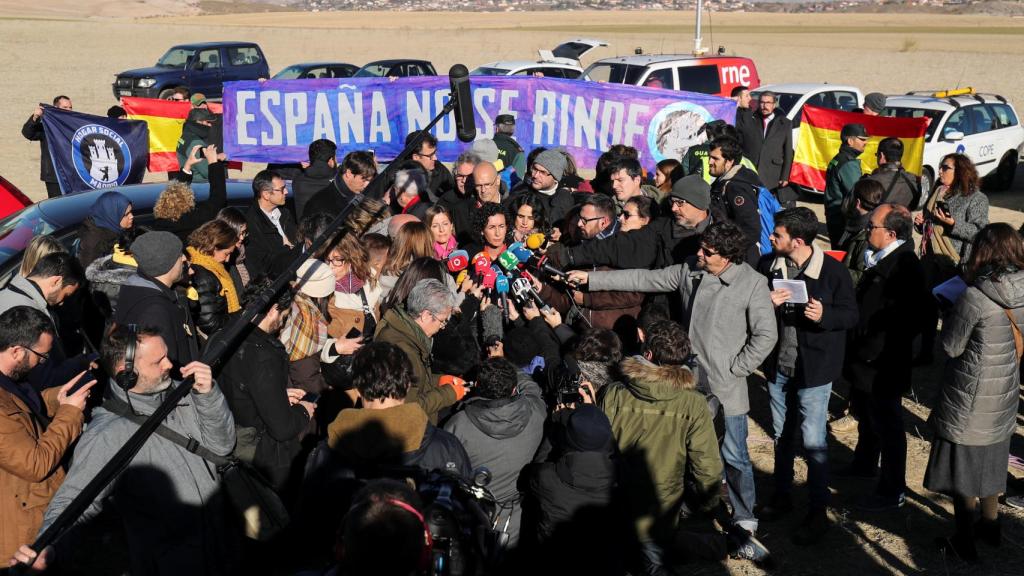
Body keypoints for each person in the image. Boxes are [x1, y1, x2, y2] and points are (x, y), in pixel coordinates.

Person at [571, 221, 778, 536]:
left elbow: (766, 335)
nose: (699, 254)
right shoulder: (691, 270)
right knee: (683, 450)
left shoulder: (753, 284)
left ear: (727, 257)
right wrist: (591, 279)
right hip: (682, 383)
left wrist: (737, 368)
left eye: (707, 252)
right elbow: (646, 278)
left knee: (735, 455)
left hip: (725, 388)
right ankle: (689, 506)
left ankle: (744, 515)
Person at [19, 326, 235, 575]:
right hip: (174, 563)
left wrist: (208, 395)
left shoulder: (182, 393)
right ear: (127, 373)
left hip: (223, 542)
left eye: (166, 355)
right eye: (158, 361)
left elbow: (221, 446)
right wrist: (48, 545)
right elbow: (75, 500)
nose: (169, 364)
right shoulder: (108, 434)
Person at [757, 208, 858, 545]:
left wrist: (825, 315)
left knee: (813, 440)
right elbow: (752, 306)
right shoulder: (768, 266)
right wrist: (765, 304)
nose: (771, 237)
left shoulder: (833, 272)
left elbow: (851, 315)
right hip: (779, 366)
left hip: (814, 370)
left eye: (778, 234)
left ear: (797, 241)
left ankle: (818, 510)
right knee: (781, 435)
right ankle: (782, 495)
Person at [923, 223, 1024, 562]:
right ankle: (991, 526)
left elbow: (951, 347)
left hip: (970, 394)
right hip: (1005, 389)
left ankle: (964, 540)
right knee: (993, 461)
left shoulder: (975, 297)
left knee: (963, 472)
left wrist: (949, 313)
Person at [600, 320, 723, 574]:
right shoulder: (694, 403)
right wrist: (710, 504)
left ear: (647, 354)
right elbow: (706, 463)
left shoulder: (613, 393)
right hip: (662, 504)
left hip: (617, 498)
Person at [841, 204, 927, 511]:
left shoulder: (905, 267)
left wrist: (871, 350)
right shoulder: (880, 258)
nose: (867, 230)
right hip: (866, 359)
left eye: (872, 226)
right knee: (867, 415)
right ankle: (864, 463)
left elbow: (906, 321)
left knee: (887, 424)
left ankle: (892, 489)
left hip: (883, 363)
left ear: (890, 234)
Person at [0, 306, 94, 561]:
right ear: (16, 351)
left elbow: (23, 408)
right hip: (20, 535)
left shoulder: (9, 380)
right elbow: (34, 464)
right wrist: (70, 414)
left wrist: (58, 398)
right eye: (41, 357)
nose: (42, 363)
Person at [216, 278, 314, 491]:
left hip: (226, 433)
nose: (283, 323)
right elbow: (281, 428)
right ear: (273, 310)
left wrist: (277, 395)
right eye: (284, 316)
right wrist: (304, 411)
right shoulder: (264, 356)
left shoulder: (223, 332)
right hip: (258, 453)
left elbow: (241, 387)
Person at [444, 357, 546, 548]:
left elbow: (447, 474)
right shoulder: (537, 412)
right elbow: (532, 388)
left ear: (477, 387)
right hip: (520, 520)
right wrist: (505, 361)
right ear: (514, 389)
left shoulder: (458, 425)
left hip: (474, 520)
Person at [914, 153, 990, 364]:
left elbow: (979, 232)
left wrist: (953, 224)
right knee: (927, 308)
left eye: (945, 167)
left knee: (952, 313)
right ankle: (926, 353)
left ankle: (951, 357)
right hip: (930, 259)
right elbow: (931, 226)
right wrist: (921, 224)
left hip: (954, 263)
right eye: (941, 166)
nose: (940, 171)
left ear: (961, 171)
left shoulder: (976, 198)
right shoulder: (938, 191)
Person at [374, 279, 464, 423]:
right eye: (442, 321)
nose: (442, 327)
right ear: (426, 315)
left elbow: (415, 380)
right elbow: (407, 408)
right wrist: (449, 394)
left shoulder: (402, 329)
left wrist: (438, 380)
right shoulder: (404, 351)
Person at [114, 231, 199, 368]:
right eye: (179, 255)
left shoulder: (135, 288)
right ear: (165, 263)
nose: (184, 258)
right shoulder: (156, 310)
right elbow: (164, 365)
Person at [151, 145, 226, 242]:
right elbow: (218, 200)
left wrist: (188, 165)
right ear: (187, 203)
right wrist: (213, 163)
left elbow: (174, 190)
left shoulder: (159, 223)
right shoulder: (192, 221)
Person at [707, 137, 764, 263]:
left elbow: (751, 229)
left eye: (715, 158)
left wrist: (728, 252)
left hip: (740, 258)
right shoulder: (728, 179)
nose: (710, 162)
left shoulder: (735, 187)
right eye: (709, 157)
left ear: (729, 161)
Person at [185, 219, 241, 337]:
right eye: (226, 254)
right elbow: (210, 324)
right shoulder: (202, 275)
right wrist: (238, 316)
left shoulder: (210, 266)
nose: (227, 260)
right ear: (214, 248)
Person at [246, 169, 298, 281]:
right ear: (266, 194)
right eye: (282, 189)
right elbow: (263, 263)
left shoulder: (286, 213)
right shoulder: (251, 223)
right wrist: (288, 249)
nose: (286, 192)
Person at [736, 91, 793, 192]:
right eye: (762, 102)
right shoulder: (750, 119)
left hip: (772, 173)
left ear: (774, 105)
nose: (764, 106)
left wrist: (785, 176)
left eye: (768, 103)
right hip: (751, 170)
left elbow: (788, 152)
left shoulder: (785, 123)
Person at [824, 123, 868, 246]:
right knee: (844, 254)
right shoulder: (848, 163)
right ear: (850, 141)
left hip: (835, 215)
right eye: (862, 139)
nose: (865, 142)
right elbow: (858, 192)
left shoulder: (839, 158)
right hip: (843, 220)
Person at [302, 150, 377, 220]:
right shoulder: (321, 206)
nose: (367, 185)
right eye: (364, 180)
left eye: (369, 180)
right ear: (349, 173)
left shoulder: (355, 192)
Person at [22, 96, 72, 199]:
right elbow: (28, 133)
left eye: (70, 107)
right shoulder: (47, 126)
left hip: (72, 175)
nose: (69, 110)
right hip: (54, 176)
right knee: (57, 206)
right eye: (65, 107)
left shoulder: (73, 125)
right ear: (56, 108)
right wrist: (35, 117)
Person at [519, 149, 576, 229]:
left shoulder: (564, 197)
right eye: (535, 169)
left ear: (555, 177)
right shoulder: (521, 192)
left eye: (542, 172)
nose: (535, 175)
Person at [77, 191, 133, 268]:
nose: (131, 216)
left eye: (131, 212)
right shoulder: (94, 243)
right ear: (113, 214)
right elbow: (90, 272)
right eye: (126, 214)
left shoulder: (118, 229)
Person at [862, 137, 920, 210]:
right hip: (904, 217)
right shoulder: (913, 180)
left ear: (882, 156)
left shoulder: (871, 182)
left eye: (877, 155)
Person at [293, 138, 339, 220]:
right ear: (331, 161)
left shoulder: (298, 181)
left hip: (305, 227)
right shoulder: (339, 180)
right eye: (335, 158)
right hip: (334, 227)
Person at [407, 131, 455, 203]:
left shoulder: (440, 171)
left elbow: (452, 198)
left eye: (435, 153)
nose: (435, 158)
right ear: (416, 157)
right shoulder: (397, 175)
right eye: (430, 155)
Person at [493, 114, 528, 182]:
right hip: (505, 188)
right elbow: (518, 180)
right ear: (513, 130)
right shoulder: (517, 151)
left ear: (497, 128)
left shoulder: (485, 145)